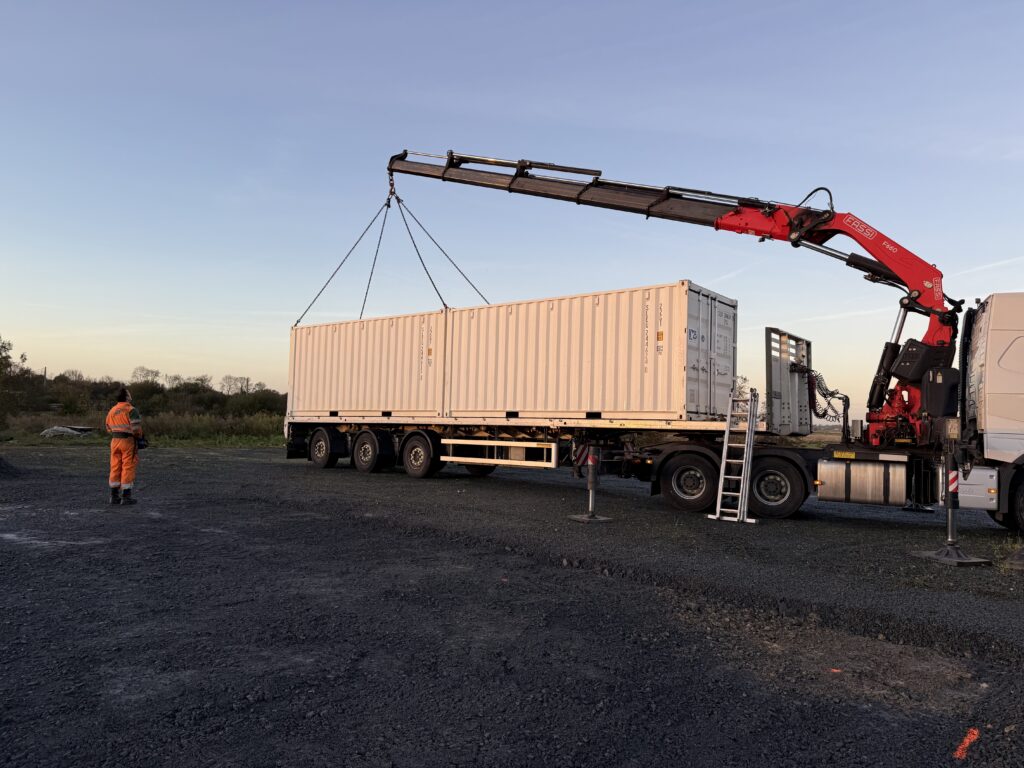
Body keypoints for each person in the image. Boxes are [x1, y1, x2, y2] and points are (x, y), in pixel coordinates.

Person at [105, 387, 144, 505]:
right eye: (129, 393)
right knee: (128, 466)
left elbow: (108, 427)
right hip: (127, 441)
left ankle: (114, 496)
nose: (130, 395)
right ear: (126, 397)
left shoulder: (112, 410)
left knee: (115, 466)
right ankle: (126, 497)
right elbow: (136, 429)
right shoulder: (132, 410)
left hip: (114, 441)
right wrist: (140, 438)